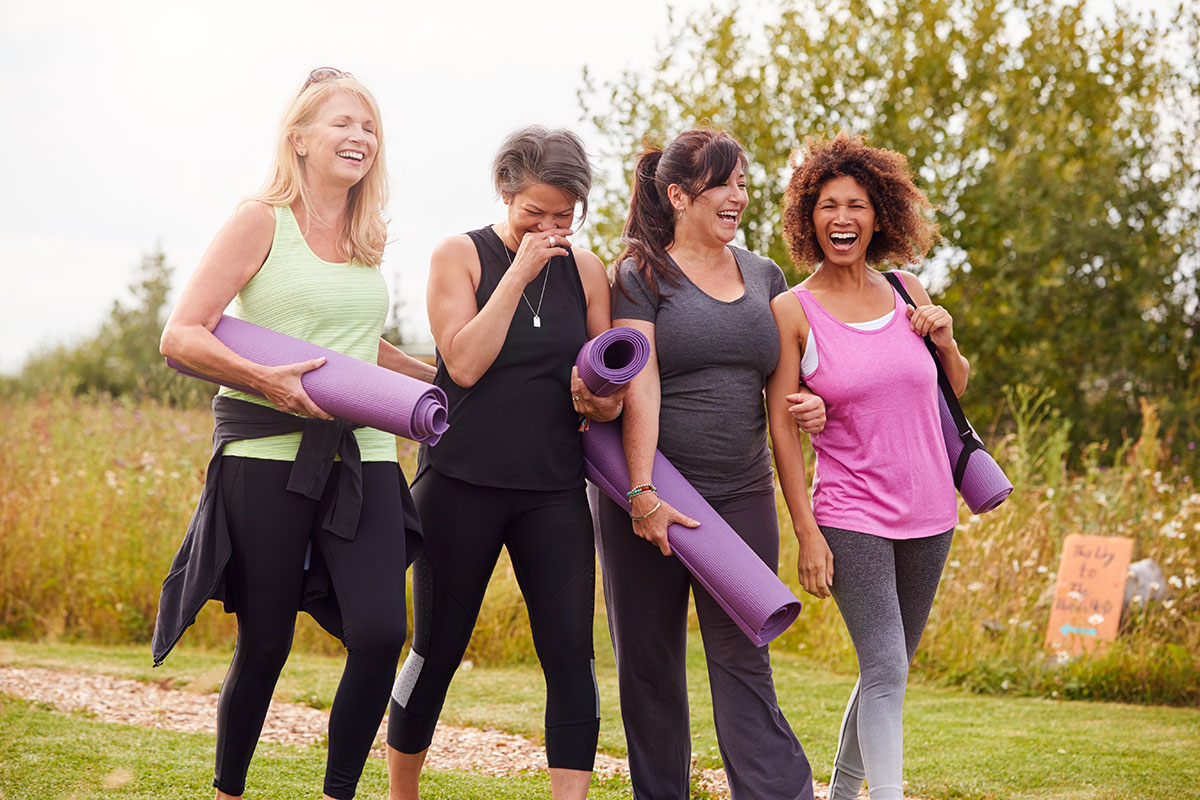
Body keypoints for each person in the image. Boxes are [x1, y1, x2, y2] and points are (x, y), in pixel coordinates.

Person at [153, 68, 434, 800]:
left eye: (369, 127)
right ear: (300, 137)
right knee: (267, 643)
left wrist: (440, 376)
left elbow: (356, 346)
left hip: (364, 454)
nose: (359, 138)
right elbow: (182, 335)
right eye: (343, 123)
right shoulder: (261, 219)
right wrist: (266, 379)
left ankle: (337, 792)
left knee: (379, 633)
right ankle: (228, 790)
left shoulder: (366, 236)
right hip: (265, 455)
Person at [384, 126, 624, 800]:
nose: (549, 229)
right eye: (533, 215)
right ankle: (402, 795)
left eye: (563, 218)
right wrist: (518, 271)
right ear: (505, 192)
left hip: (552, 490)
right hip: (460, 482)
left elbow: (604, 382)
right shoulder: (458, 256)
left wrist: (600, 400)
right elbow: (462, 362)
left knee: (571, 662)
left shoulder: (586, 270)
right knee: (434, 655)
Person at [595, 128, 819, 800]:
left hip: (741, 494)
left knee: (744, 658)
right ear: (678, 194)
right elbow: (641, 381)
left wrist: (815, 408)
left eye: (744, 184)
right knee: (650, 666)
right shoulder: (639, 273)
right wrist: (640, 492)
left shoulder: (765, 276)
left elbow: (786, 397)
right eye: (725, 183)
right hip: (655, 492)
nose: (739, 197)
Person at [766, 132, 969, 800]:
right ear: (809, 218)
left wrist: (943, 337)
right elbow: (781, 429)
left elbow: (955, 388)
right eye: (827, 205)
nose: (841, 217)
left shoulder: (907, 289)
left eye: (855, 204)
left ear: (878, 215)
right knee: (884, 665)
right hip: (851, 514)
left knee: (890, 668)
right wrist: (806, 532)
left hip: (932, 510)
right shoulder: (792, 311)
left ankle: (842, 791)